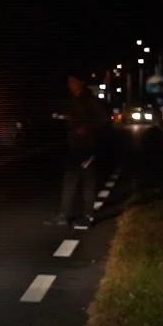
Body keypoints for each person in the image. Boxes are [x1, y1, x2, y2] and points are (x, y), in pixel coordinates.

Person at [60, 73, 110, 229]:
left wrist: (87, 128)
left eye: (73, 81)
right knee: (70, 181)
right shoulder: (73, 100)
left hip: (87, 147)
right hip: (74, 147)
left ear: (80, 82)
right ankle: (64, 215)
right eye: (68, 81)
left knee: (88, 182)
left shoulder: (89, 100)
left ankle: (88, 216)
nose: (70, 84)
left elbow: (103, 120)